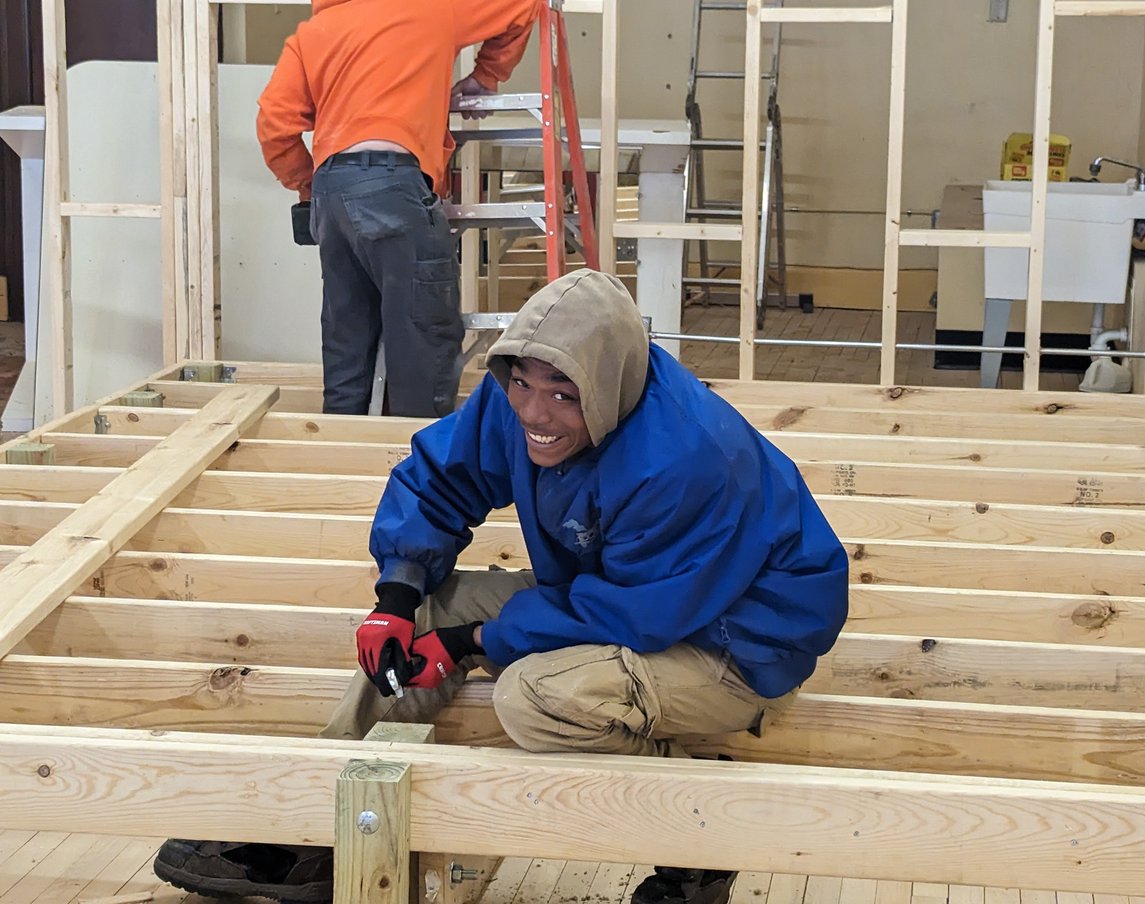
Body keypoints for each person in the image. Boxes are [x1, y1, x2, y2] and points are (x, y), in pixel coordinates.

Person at [153, 269, 849, 904]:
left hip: (732, 643)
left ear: (606, 388)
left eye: (563, 396)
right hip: (619, 593)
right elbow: (442, 479)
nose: (536, 415)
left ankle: (696, 840)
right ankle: (317, 837)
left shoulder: (686, 460)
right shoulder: (520, 392)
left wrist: (473, 642)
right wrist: (396, 594)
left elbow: (640, 616)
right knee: (430, 608)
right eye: (523, 385)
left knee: (540, 698)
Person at [256, 0, 542, 416]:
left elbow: (274, 123)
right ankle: (417, 468)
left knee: (347, 340)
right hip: (394, 181)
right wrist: (486, 75)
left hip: (331, 191)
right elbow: (525, 5)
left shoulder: (313, 33)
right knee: (422, 339)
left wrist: (307, 183)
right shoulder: (431, 10)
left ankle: (344, 456)